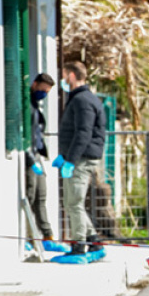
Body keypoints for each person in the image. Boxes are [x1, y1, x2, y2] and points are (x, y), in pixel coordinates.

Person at [53, 61, 107, 257]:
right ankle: (94, 241)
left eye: (65, 75)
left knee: (74, 203)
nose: (63, 80)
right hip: (77, 157)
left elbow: (83, 132)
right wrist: (64, 156)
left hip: (81, 159)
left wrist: (71, 160)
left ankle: (78, 246)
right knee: (71, 203)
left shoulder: (82, 100)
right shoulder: (80, 98)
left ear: (72, 76)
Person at [26, 72, 56, 241]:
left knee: (41, 195)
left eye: (47, 92)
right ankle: (29, 236)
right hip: (30, 157)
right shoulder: (27, 104)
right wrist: (30, 159)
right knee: (30, 195)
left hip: (37, 155)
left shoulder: (35, 105)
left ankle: (47, 235)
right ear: (35, 84)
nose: (44, 94)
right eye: (43, 90)